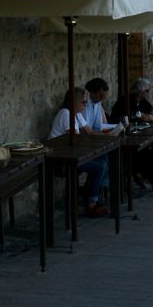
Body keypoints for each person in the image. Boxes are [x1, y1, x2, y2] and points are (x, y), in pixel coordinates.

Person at [49, 88, 108, 217]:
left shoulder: (76, 114)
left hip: (71, 155)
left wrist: (111, 135)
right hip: (61, 161)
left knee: (104, 157)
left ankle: (90, 192)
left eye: (86, 102)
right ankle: (91, 203)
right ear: (74, 102)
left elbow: (89, 132)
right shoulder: (66, 114)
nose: (85, 105)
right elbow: (76, 139)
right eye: (83, 102)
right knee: (99, 167)